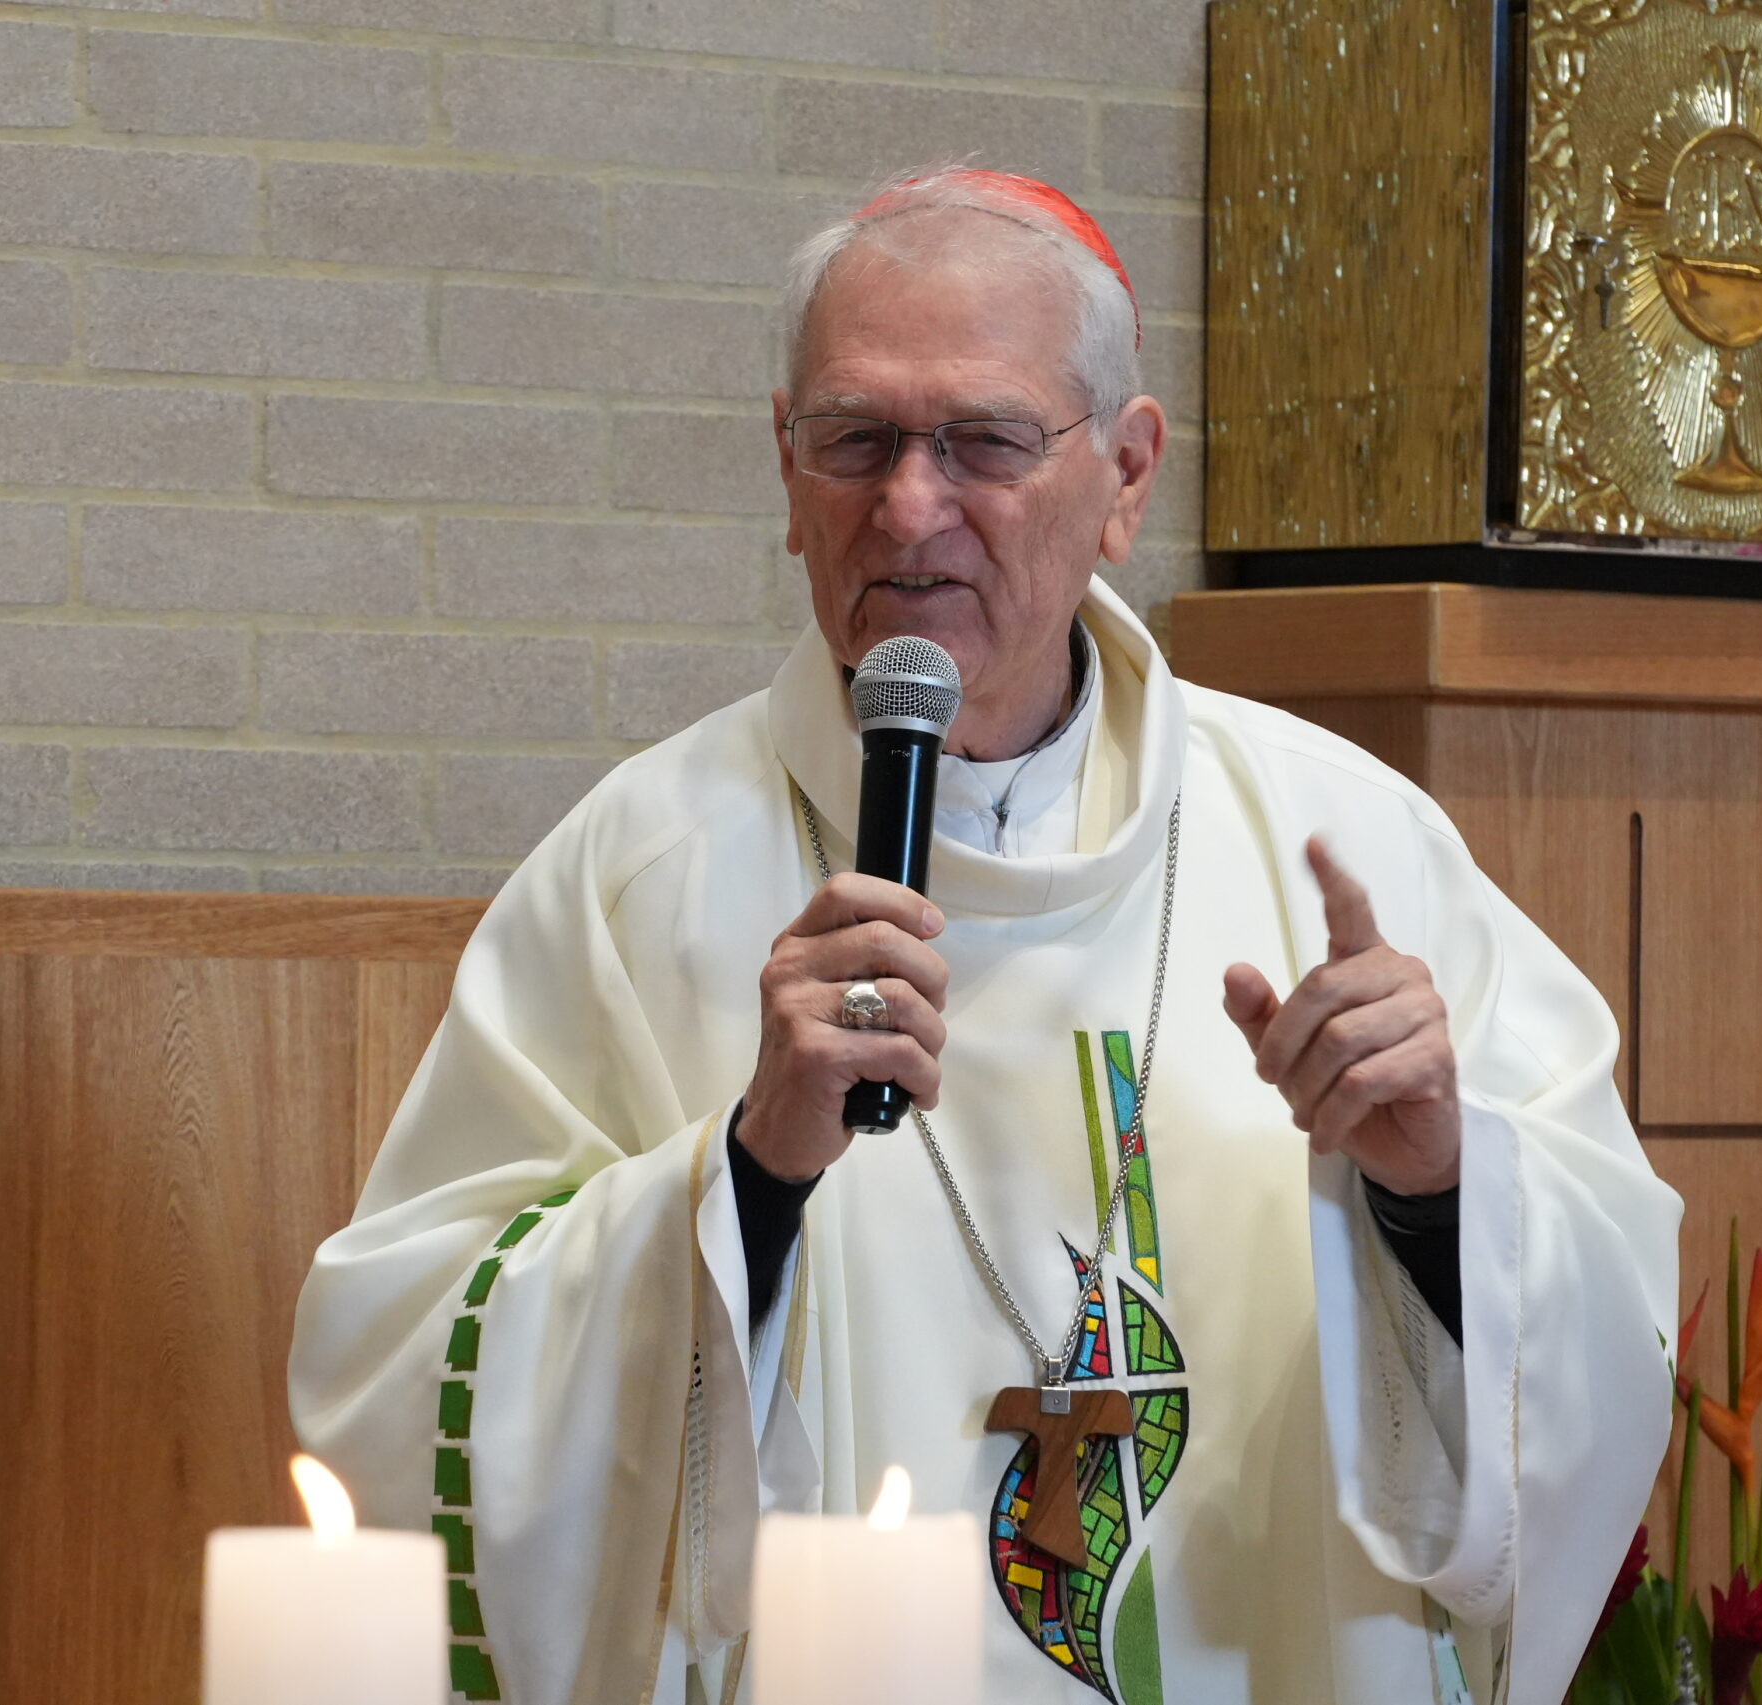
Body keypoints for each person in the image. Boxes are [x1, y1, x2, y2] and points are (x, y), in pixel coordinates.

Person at [289, 167, 1680, 1705]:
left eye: (985, 441)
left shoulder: (1341, 839)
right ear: (783, 460)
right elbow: (402, 1362)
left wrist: (1437, 1188)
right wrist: (742, 1177)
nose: (908, 505)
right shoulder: (643, 869)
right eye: (856, 439)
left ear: (1127, 475)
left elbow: (1605, 1322)